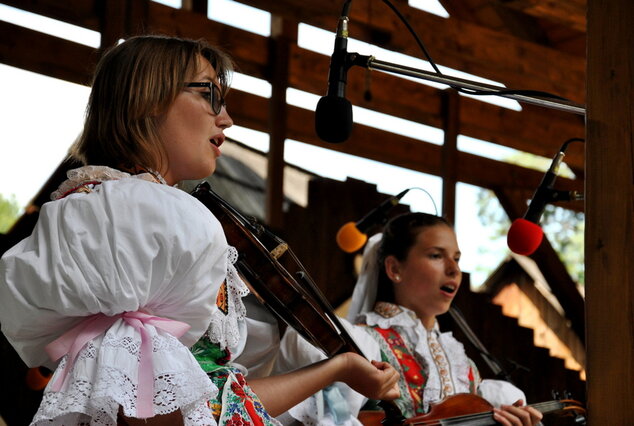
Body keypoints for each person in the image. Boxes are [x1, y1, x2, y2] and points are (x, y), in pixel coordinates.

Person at [0, 35, 400, 426]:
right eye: (209, 94)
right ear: (148, 96)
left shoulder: (123, 208)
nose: (226, 118)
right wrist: (334, 370)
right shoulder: (141, 213)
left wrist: (338, 368)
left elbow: (206, 398)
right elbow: (156, 413)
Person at [274, 212, 544, 426]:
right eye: (436, 256)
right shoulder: (356, 342)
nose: (453, 269)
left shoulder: (465, 366)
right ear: (394, 268)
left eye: (457, 259)